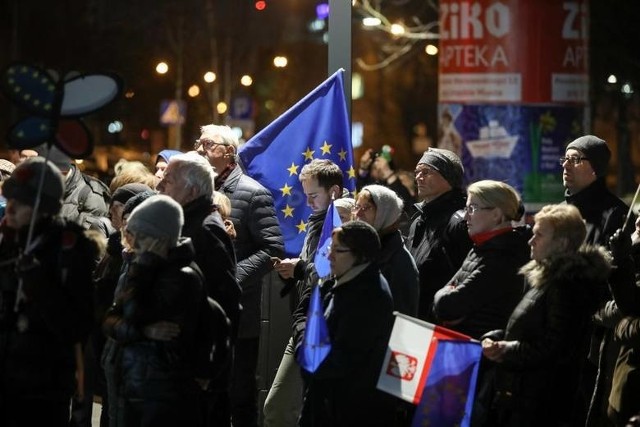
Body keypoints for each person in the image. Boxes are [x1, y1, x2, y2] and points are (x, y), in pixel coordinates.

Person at [481, 204, 610, 427]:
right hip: (523, 396)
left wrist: (506, 349)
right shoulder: (546, 276)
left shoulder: (567, 284)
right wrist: (501, 336)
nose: (531, 241)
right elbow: (532, 328)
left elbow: (555, 346)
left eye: (539, 235)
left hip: (538, 404)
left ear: (562, 243)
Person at [196, 124, 284, 427]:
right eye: (199, 142)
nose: (200, 149)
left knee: (239, 394)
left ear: (229, 152)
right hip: (199, 311)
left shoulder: (252, 193)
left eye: (208, 144)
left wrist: (231, 275)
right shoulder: (198, 190)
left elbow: (273, 248)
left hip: (239, 315)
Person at [0, 157, 97, 426]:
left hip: (42, 386)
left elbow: (77, 325)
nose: (11, 207)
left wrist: (39, 284)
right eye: (10, 199)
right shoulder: (10, 242)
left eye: (22, 201)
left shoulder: (67, 249)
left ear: (43, 207)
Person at [102, 194, 204, 427]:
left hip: (160, 391)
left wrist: (144, 268)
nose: (133, 243)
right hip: (134, 382)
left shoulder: (179, 276)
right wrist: (142, 331)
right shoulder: (140, 266)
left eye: (139, 236)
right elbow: (110, 319)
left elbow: (134, 312)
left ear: (158, 237)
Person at [157, 152, 239, 427]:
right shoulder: (186, 222)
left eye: (168, 181)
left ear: (191, 190)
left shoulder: (206, 230)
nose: (159, 186)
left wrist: (209, 369)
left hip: (197, 373)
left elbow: (226, 304)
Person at [264, 159, 344, 427]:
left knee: (280, 407)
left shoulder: (341, 225)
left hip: (320, 326)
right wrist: (294, 272)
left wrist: (300, 268)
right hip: (305, 322)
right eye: (306, 196)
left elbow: (329, 274)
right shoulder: (317, 220)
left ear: (334, 192)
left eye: (313, 196)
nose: (308, 203)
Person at [297, 221, 396, 427]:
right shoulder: (342, 283)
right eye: (330, 249)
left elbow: (345, 358)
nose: (329, 256)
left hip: (347, 409)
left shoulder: (368, 295)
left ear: (360, 255)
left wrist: (304, 349)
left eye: (338, 250)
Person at [561, 135, 630, 425]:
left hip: (591, 338)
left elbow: (613, 277)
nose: (566, 164)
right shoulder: (564, 210)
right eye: (564, 158)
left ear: (596, 168)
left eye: (575, 159)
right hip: (560, 330)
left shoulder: (614, 215)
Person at [406, 147, 472, 322]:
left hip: (441, 324)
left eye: (426, 172)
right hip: (416, 318)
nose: (418, 177)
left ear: (448, 177)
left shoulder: (459, 222)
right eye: (417, 172)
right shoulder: (419, 220)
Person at [354, 184, 419, 316]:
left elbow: (400, 317)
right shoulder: (360, 248)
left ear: (385, 213)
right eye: (357, 207)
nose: (358, 214)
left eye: (366, 208)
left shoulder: (400, 263)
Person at [357, 145, 416, 228]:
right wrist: (363, 169)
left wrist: (388, 174)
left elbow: (401, 202)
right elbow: (361, 195)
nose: (378, 170)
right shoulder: (374, 186)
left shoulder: (399, 186)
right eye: (374, 168)